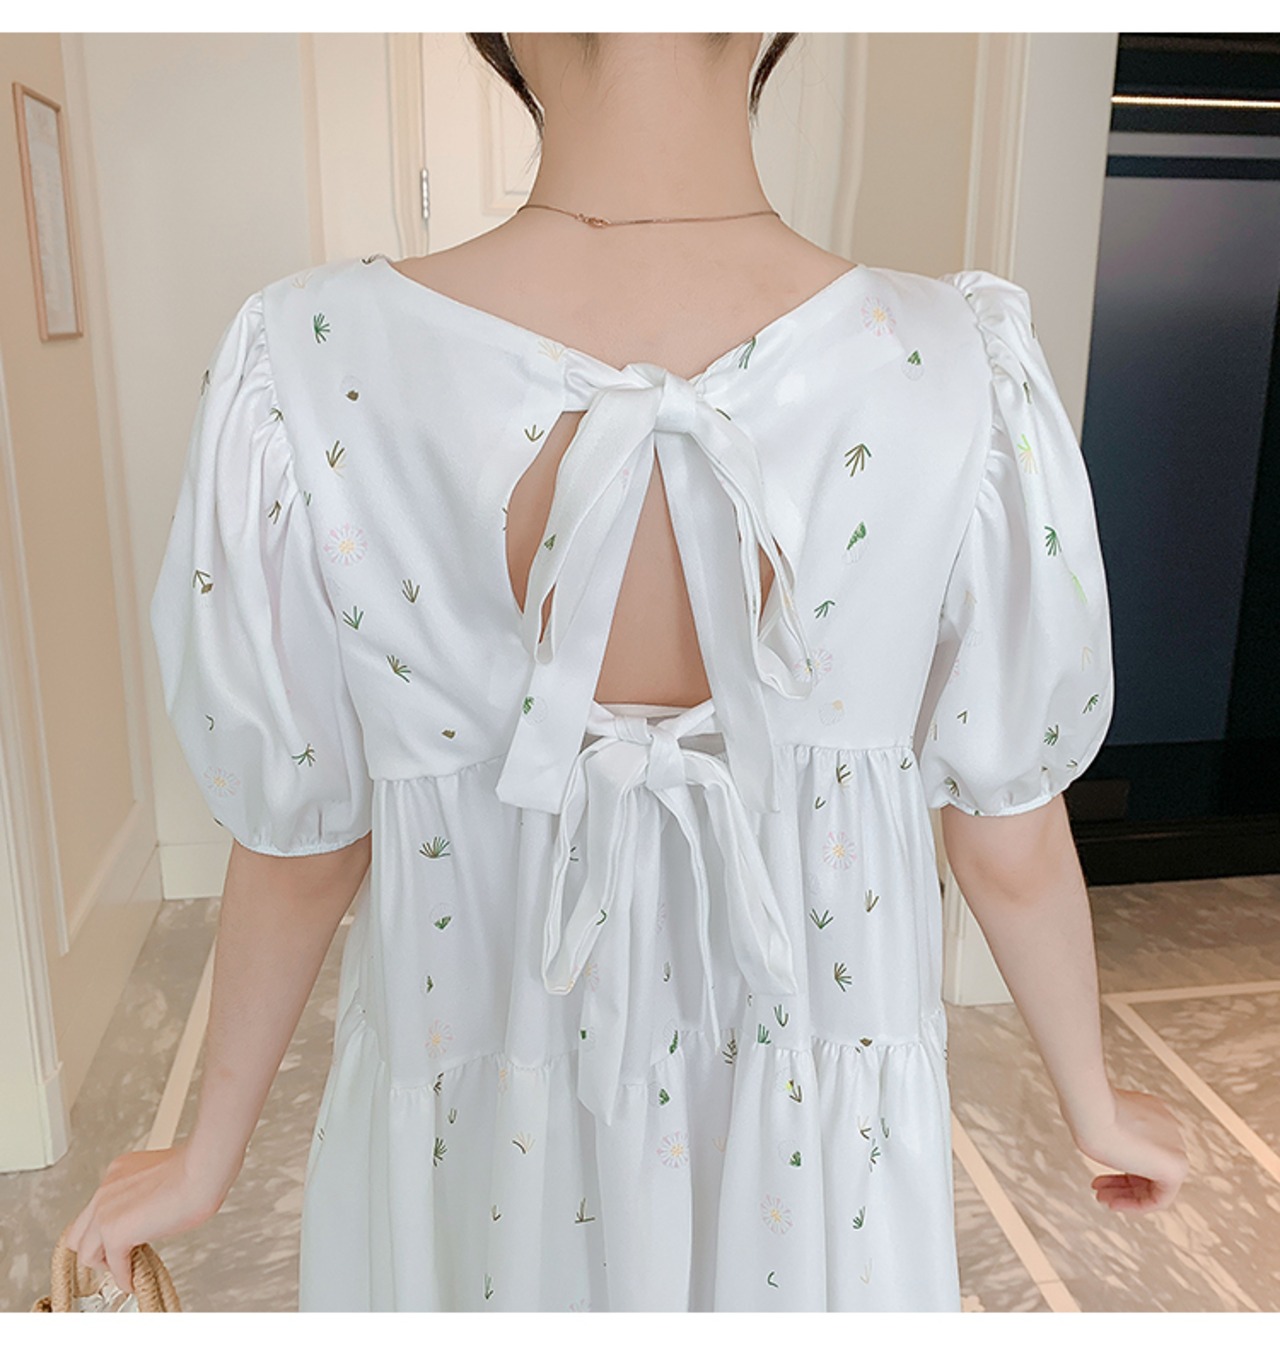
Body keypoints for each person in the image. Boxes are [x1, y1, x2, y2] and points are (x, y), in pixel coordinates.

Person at [66, 32, 1187, 1311]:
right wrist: (1089, 1098)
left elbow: (304, 844)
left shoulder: (317, 364)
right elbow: (1007, 836)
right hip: (812, 1155)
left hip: (480, 1133)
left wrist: (207, 1152)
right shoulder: (950, 367)